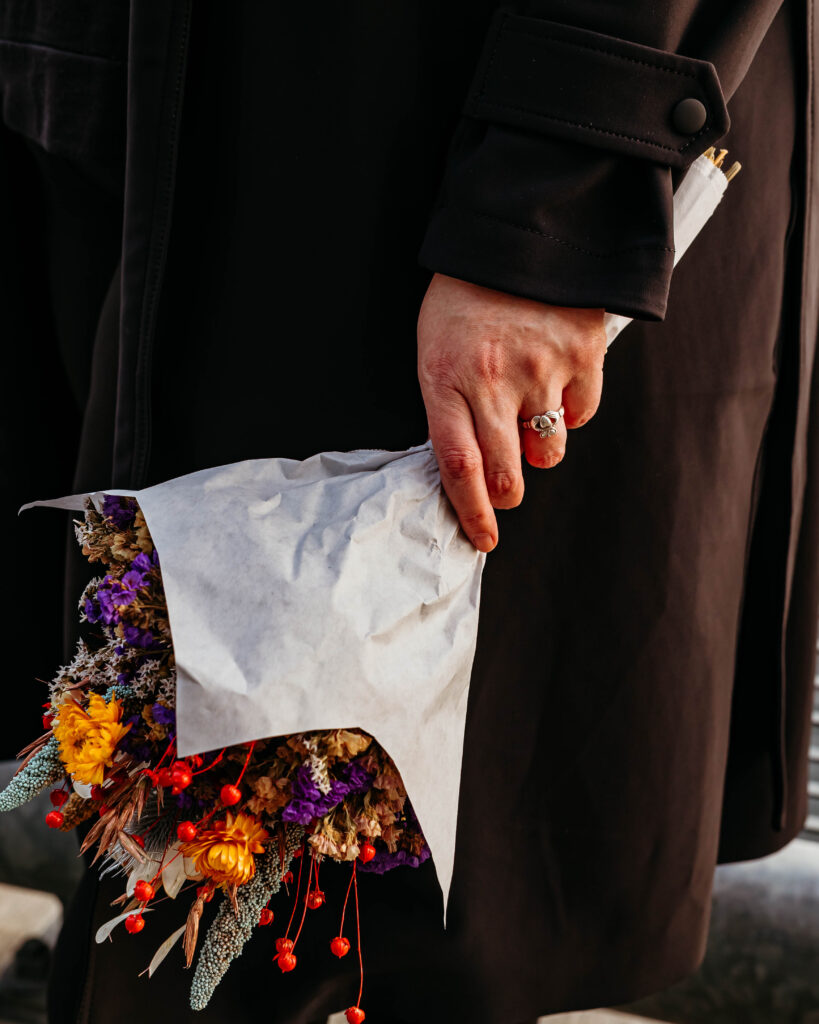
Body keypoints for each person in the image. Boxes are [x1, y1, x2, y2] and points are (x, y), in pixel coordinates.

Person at [1, 0, 816, 1022]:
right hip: (152, 113)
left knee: (353, 925)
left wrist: (553, 190)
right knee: (161, 840)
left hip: (441, 168)